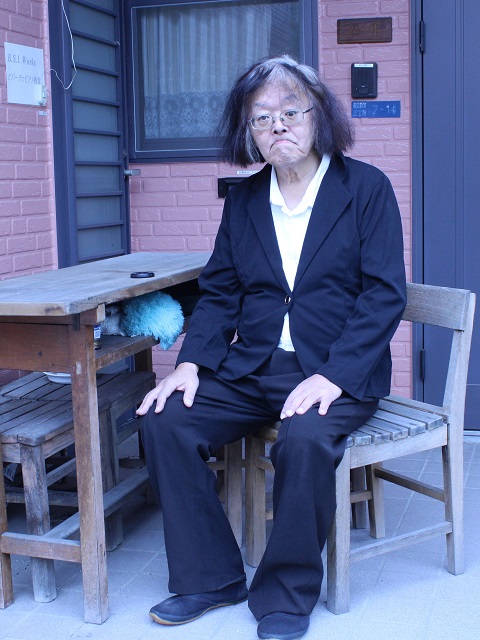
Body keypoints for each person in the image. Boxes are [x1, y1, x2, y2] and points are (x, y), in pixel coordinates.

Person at [136, 55, 406, 640]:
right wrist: (190, 363)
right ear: (249, 132)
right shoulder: (245, 200)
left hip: (332, 371)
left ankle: (284, 594)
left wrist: (335, 375)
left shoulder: (366, 189)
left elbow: (384, 296)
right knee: (165, 419)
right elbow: (220, 292)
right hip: (253, 367)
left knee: (304, 439)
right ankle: (211, 578)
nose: (277, 125)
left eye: (290, 111)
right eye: (261, 118)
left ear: (319, 116)